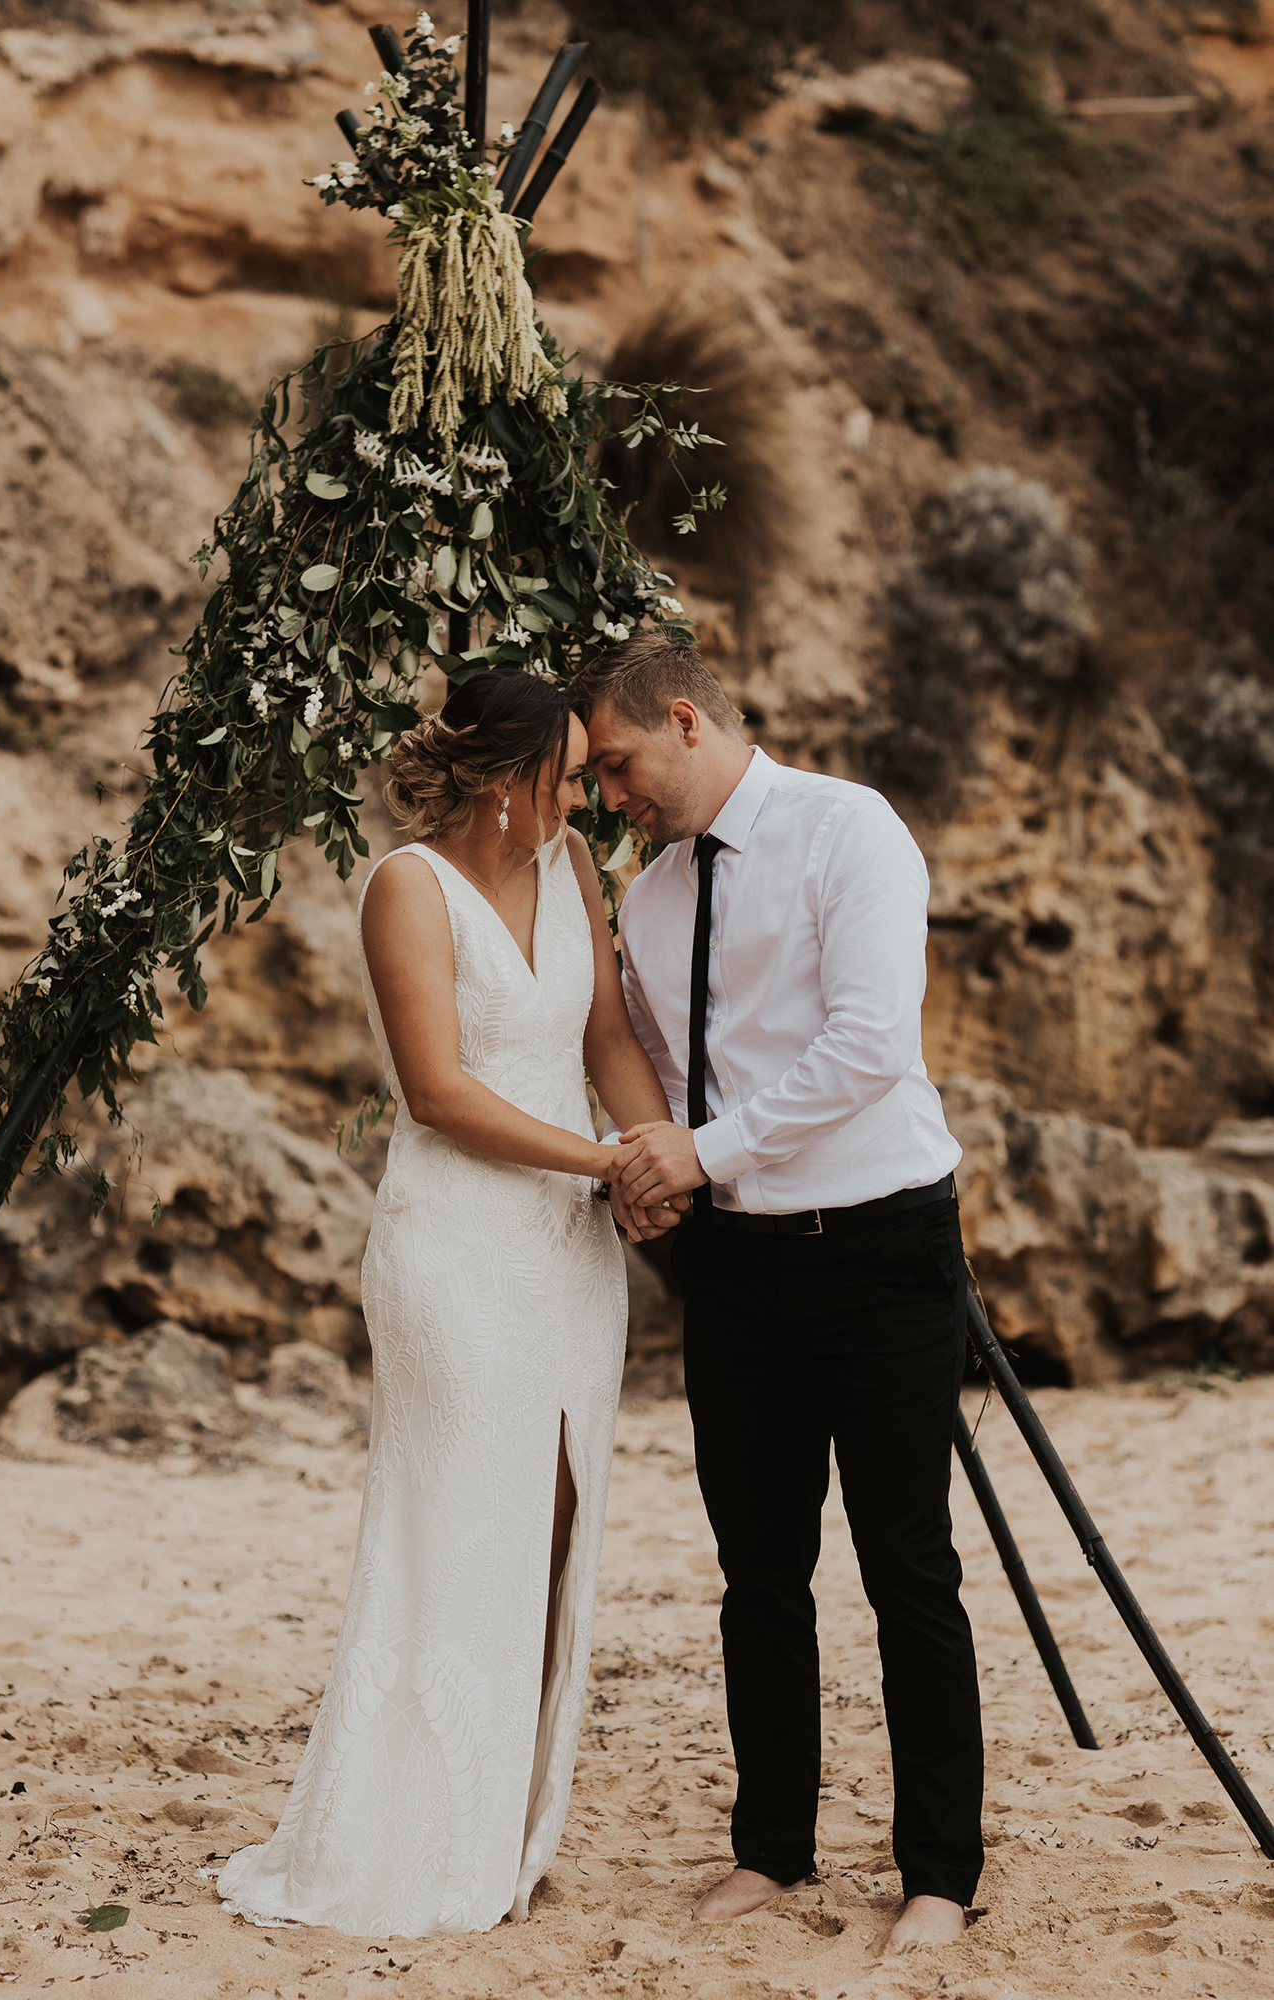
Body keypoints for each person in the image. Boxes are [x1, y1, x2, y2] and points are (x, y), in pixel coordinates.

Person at [215, 667, 677, 1937]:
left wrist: (656, 1152)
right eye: (571, 772)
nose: (587, 790)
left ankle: (498, 1823)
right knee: (464, 1514)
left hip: (570, 1255)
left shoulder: (573, 864)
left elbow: (602, 1040)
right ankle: (408, 1836)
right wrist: (604, 1163)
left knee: (555, 1515)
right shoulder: (406, 888)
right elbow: (437, 1091)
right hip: (458, 1250)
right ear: (507, 776)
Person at [571, 632, 984, 1955]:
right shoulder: (647, 897)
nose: (610, 793)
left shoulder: (846, 830)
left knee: (906, 1562)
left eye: (620, 763)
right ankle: (772, 1849)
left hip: (880, 1250)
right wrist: (650, 1173)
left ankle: (937, 1871)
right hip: (736, 1265)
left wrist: (704, 1150)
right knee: (758, 1572)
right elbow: (650, 1063)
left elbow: (871, 1043)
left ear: (683, 720)